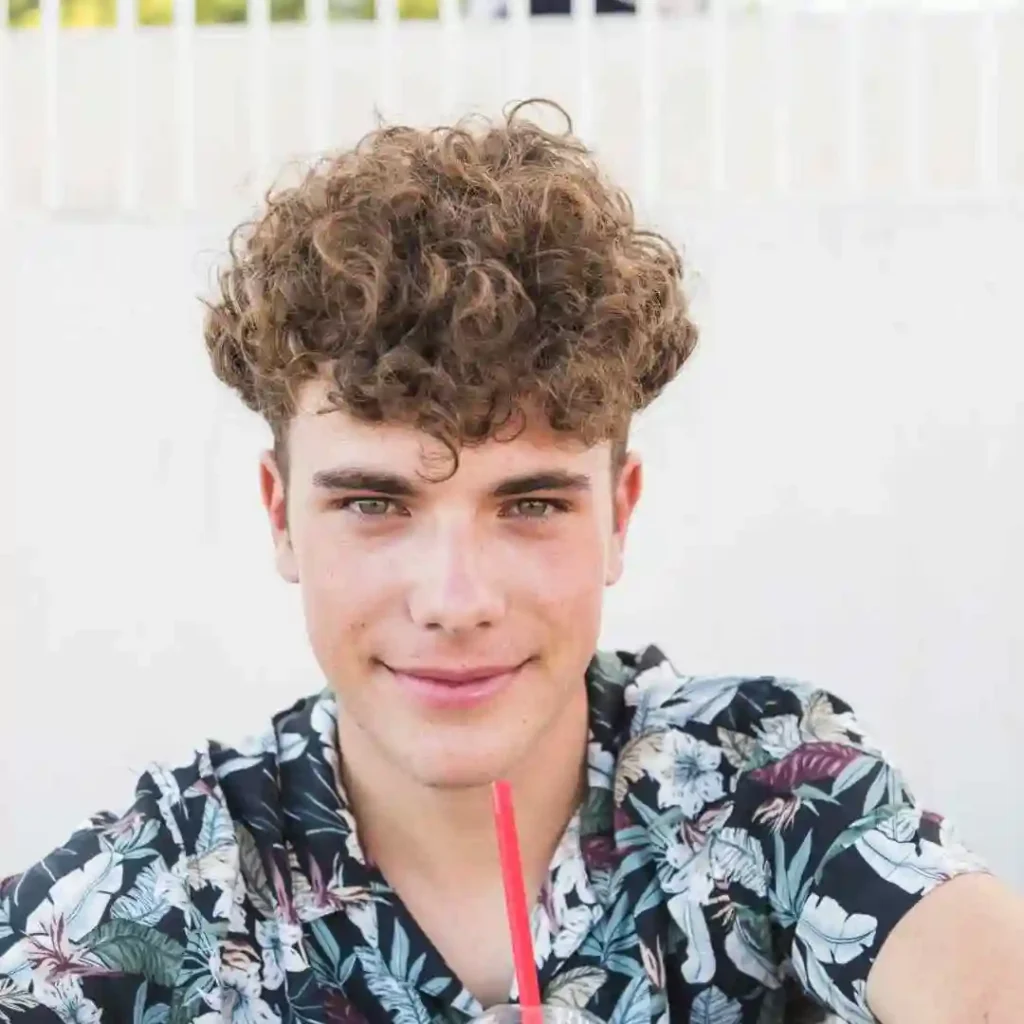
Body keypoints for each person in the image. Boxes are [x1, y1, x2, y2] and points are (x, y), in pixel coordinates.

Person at [1, 100, 1021, 1024]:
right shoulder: (171, 876)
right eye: (372, 502)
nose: (455, 600)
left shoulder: (765, 784)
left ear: (618, 515)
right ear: (281, 516)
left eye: (530, 502)